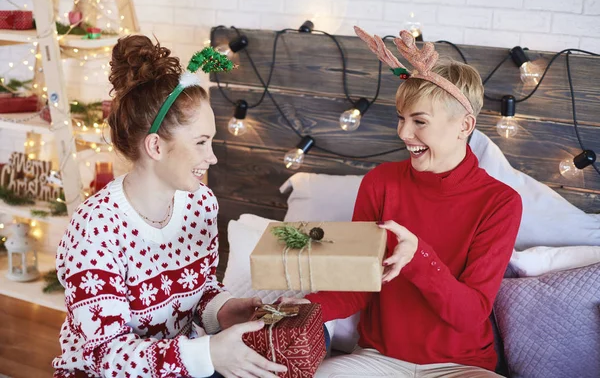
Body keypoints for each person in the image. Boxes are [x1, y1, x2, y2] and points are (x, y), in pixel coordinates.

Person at [282, 28, 523, 378]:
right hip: (377, 358)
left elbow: (469, 314)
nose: (404, 134)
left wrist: (419, 258)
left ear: (465, 125)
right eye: (401, 118)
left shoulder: (500, 203)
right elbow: (357, 284)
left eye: (419, 122)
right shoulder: (381, 182)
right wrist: (306, 308)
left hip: (459, 366)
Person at [53, 35, 287, 378]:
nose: (212, 157)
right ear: (156, 147)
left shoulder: (200, 203)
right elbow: (107, 358)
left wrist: (224, 309)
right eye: (201, 143)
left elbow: (200, 290)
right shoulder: (95, 230)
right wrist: (209, 352)